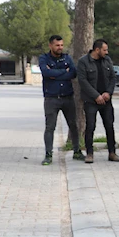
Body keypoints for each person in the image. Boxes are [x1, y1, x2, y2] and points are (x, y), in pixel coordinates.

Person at [38, 35, 83, 165]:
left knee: (73, 125)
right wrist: (64, 71)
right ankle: (48, 154)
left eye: (62, 45)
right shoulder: (43, 58)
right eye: (57, 45)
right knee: (50, 127)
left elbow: (73, 73)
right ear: (50, 45)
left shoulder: (67, 57)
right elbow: (46, 73)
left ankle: (77, 151)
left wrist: (55, 73)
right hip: (51, 98)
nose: (60, 48)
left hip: (67, 97)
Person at [77, 39, 119, 164]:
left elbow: (113, 78)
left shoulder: (107, 60)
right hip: (91, 101)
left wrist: (108, 92)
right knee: (90, 126)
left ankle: (112, 152)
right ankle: (89, 153)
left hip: (106, 101)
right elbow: (83, 81)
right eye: (104, 50)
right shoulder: (83, 62)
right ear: (97, 50)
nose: (106, 52)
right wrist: (96, 96)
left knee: (109, 125)